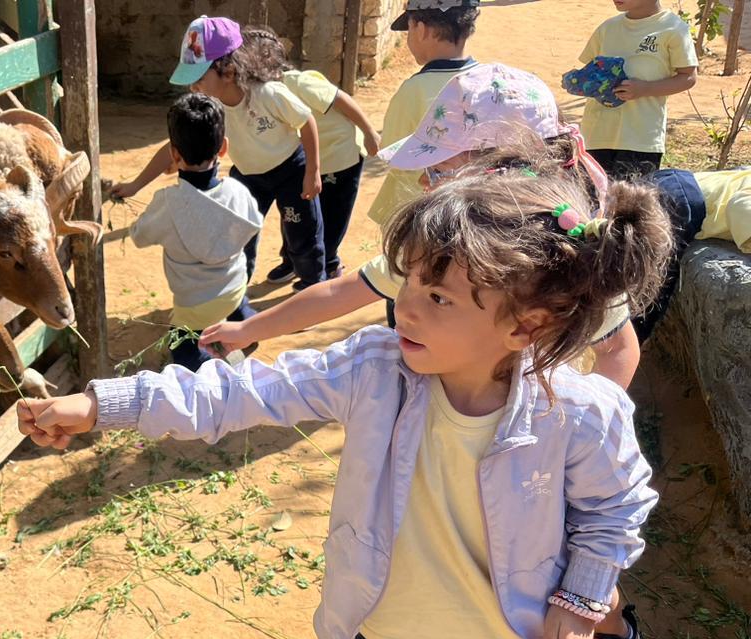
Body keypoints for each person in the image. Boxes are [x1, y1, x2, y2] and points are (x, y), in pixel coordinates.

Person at [19, 165, 670, 639]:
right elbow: (237, 396)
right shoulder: (375, 368)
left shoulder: (581, 410)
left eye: (440, 297)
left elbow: (617, 507)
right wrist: (102, 404)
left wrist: (578, 604)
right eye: (411, 286)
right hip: (399, 617)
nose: (408, 309)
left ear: (525, 324)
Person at [199, 65, 642, 389]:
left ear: (497, 170)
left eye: (439, 168)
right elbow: (341, 291)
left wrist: (584, 436)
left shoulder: (573, 249)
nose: (425, 181)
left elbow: (618, 349)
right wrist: (247, 330)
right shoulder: (441, 244)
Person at [111, 16, 327, 291]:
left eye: (199, 78)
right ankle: (235, 291)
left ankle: (311, 286)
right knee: (239, 234)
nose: (193, 88)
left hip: (291, 171)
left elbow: (306, 122)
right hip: (249, 176)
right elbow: (175, 146)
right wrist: (135, 185)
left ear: (228, 70)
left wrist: (312, 171)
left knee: (302, 234)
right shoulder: (212, 108)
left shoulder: (269, 94)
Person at [127, 93, 263, 371]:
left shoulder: (167, 202)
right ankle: (241, 331)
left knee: (182, 347)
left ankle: (201, 363)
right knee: (233, 304)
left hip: (193, 306)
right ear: (223, 148)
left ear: (174, 154)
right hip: (234, 289)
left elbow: (139, 235)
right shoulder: (238, 191)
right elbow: (254, 225)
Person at [240, 27, 381, 284]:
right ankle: (292, 261)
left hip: (340, 156)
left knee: (332, 216)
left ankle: (329, 264)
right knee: (296, 215)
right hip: (309, 161)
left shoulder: (297, 82)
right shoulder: (259, 93)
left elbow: (342, 99)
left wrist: (369, 132)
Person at [367, 0, 481, 228]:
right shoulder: (484, 83)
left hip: (415, 211)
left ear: (420, 29)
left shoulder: (414, 90)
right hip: (469, 211)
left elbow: (392, 150)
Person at [578, 0, 697, 180]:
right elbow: (590, 70)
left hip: (640, 139)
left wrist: (645, 89)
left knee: (630, 205)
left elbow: (688, 77)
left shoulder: (673, 29)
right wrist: (579, 82)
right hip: (596, 134)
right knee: (594, 203)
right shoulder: (607, 29)